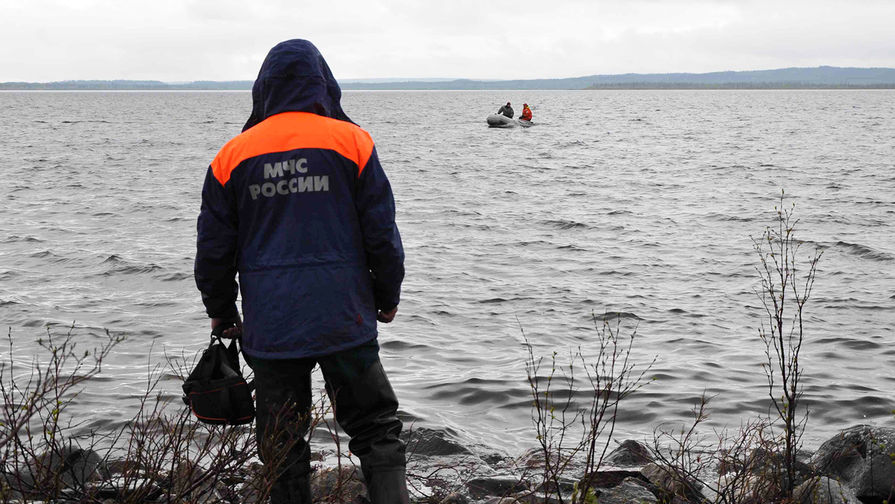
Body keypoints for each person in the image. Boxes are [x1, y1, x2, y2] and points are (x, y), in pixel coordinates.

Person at [195, 39, 407, 504]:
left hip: (273, 326)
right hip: (344, 318)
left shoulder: (231, 156)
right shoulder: (353, 142)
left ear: (263, 88)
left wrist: (220, 310)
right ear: (323, 83)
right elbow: (382, 234)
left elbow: (213, 249)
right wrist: (387, 296)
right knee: (376, 431)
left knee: (281, 445)